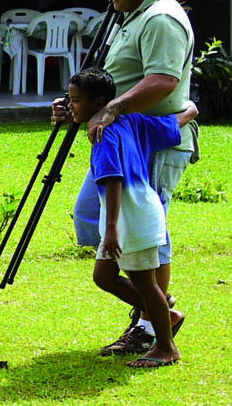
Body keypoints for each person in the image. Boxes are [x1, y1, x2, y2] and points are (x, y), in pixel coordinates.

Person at [51, 0, 195, 356]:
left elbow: (164, 81)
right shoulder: (134, 15)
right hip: (125, 138)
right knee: (92, 214)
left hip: (151, 144)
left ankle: (152, 330)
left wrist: (110, 109)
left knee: (151, 237)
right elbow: (118, 77)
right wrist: (79, 104)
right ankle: (156, 313)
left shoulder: (162, 19)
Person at [68, 68, 195, 367]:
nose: (69, 105)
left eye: (75, 100)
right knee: (104, 276)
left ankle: (166, 347)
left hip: (130, 218)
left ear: (99, 103)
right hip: (134, 214)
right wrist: (191, 108)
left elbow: (113, 178)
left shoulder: (102, 133)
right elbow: (171, 124)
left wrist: (111, 229)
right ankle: (168, 314)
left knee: (143, 283)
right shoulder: (134, 121)